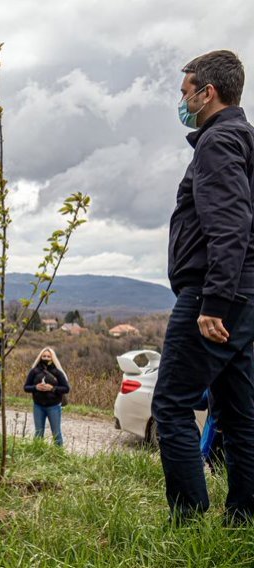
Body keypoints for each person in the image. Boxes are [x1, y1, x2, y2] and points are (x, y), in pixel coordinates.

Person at [151, 50, 254, 525]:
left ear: (207, 92)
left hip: (217, 295)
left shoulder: (218, 141)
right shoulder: (246, 140)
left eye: (186, 91)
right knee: (240, 415)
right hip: (247, 296)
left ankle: (188, 519)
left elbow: (230, 223)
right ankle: (243, 519)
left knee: (171, 406)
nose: (183, 99)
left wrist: (212, 300)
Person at [23, 347, 70, 446]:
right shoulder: (34, 371)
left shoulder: (57, 372)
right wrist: (36, 387)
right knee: (38, 432)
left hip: (54, 407)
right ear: (40, 357)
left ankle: (59, 455)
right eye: (44, 356)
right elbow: (26, 387)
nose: (46, 358)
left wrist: (52, 388)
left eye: (48, 356)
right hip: (38, 406)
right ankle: (36, 454)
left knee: (56, 433)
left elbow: (66, 388)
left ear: (52, 358)